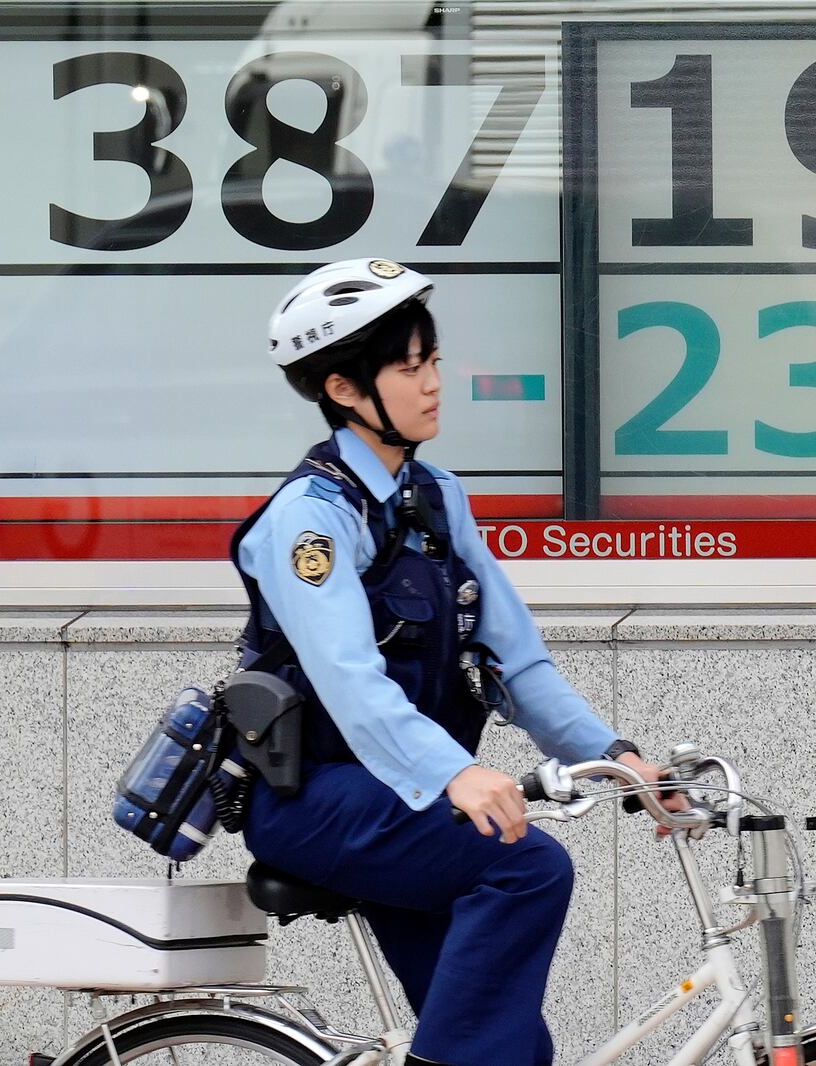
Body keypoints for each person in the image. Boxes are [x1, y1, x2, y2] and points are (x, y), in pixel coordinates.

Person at [232, 257, 680, 1066]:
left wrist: (616, 759)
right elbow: (347, 677)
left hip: (398, 804)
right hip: (316, 799)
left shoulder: (437, 498)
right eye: (410, 367)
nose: (435, 381)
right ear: (344, 389)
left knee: (503, 1051)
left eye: (432, 360)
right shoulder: (311, 520)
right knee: (528, 869)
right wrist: (453, 775)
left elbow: (518, 661)